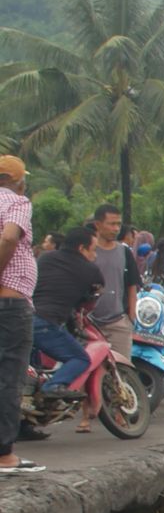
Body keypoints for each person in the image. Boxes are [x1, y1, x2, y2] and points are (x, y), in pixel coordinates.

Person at [0, 155, 42, 473]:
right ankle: (4, 456)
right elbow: (10, 237)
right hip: (11, 305)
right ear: (16, 180)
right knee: (9, 378)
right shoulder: (17, 201)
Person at [31, 226, 101, 399]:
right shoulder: (91, 270)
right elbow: (92, 298)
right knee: (81, 359)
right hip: (46, 323)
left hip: (22, 318)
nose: (95, 255)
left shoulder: (45, 258)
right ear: (81, 248)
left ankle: (27, 421)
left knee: (35, 372)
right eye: (93, 250)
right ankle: (54, 386)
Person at [88, 204, 138, 359]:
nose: (116, 228)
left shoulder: (124, 252)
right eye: (111, 224)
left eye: (118, 224)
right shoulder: (88, 251)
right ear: (98, 224)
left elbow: (132, 285)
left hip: (118, 323)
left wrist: (131, 318)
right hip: (89, 323)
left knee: (122, 371)